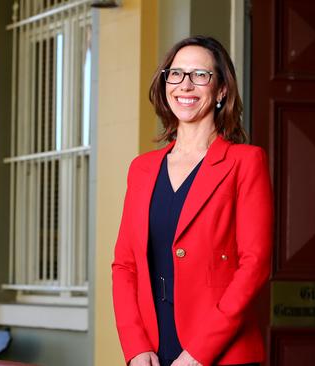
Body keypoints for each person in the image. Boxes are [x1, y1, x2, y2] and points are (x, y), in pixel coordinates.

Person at [112, 36, 273, 366]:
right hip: (153, 351)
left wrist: (200, 353)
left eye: (200, 75)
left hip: (221, 352)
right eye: (176, 74)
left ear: (221, 90)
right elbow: (125, 265)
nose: (185, 85)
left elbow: (254, 265)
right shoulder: (142, 169)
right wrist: (135, 346)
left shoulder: (245, 162)